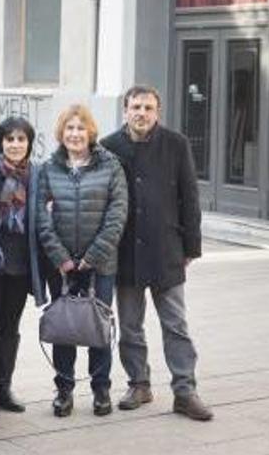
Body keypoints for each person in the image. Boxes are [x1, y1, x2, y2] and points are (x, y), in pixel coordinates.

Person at [100, 85, 214, 421]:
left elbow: (190, 198)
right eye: (136, 107)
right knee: (131, 325)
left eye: (148, 108)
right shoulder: (109, 147)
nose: (142, 113)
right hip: (126, 254)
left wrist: (191, 246)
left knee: (175, 324)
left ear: (157, 112)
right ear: (125, 111)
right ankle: (139, 383)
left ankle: (185, 390)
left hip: (167, 250)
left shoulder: (176, 145)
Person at [36, 104, 127, 418]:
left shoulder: (110, 166)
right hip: (62, 267)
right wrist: (61, 259)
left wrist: (91, 257)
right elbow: (41, 219)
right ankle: (64, 390)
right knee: (66, 327)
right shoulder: (49, 169)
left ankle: (101, 389)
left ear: (91, 132)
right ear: (62, 133)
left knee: (97, 326)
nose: (75, 134)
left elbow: (117, 216)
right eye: (69, 128)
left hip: (100, 265)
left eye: (80, 128)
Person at [0, 117, 47, 419]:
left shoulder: (37, 173)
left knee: (11, 327)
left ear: (29, 144)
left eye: (21, 139)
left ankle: (4, 387)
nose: (15, 145)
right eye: (9, 139)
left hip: (20, 262)